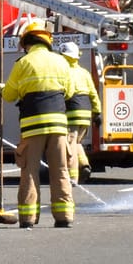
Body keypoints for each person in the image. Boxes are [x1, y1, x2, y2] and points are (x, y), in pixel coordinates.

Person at [0, 19, 72, 228]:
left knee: (30, 171)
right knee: (60, 170)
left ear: (26, 43)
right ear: (47, 41)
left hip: (32, 126)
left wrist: (1, 89)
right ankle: (64, 216)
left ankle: (28, 218)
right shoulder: (61, 62)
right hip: (59, 124)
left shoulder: (23, 63)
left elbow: (10, 95)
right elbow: (70, 92)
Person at [58, 42, 100, 197]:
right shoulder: (84, 72)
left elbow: (63, 93)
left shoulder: (64, 71)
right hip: (85, 112)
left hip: (72, 111)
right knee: (76, 143)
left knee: (69, 146)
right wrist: (97, 111)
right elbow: (93, 93)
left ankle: (73, 177)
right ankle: (84, 164)